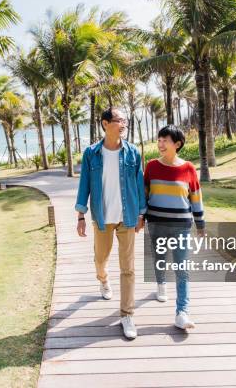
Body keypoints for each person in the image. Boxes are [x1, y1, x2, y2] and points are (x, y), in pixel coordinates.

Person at [75, 108, 146, 340]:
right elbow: (84, 184)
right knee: (100, 258)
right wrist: (81, 216)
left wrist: (141, 214)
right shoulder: (91, 153)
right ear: (106, 124)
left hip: (128, 217)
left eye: (124, 120)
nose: (123, 124)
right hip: (102, 218)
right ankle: (103, 280)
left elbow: (139, 183)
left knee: (128, 268)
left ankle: (127, 314)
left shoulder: (132, 152)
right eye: (118, 120)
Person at [144, 125, 206, 330]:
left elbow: (195, 197)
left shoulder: (188, 168)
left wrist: (200, 223)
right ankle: (161, 284)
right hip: (156, 223)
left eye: (165, 140)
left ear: (177, 144)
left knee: (182, 268)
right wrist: (140, 217)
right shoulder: (151, 166)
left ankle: (182, 312)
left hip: (181, 225)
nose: (160, 144)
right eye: (159, 140)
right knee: (159, 258)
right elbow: (144, 195)